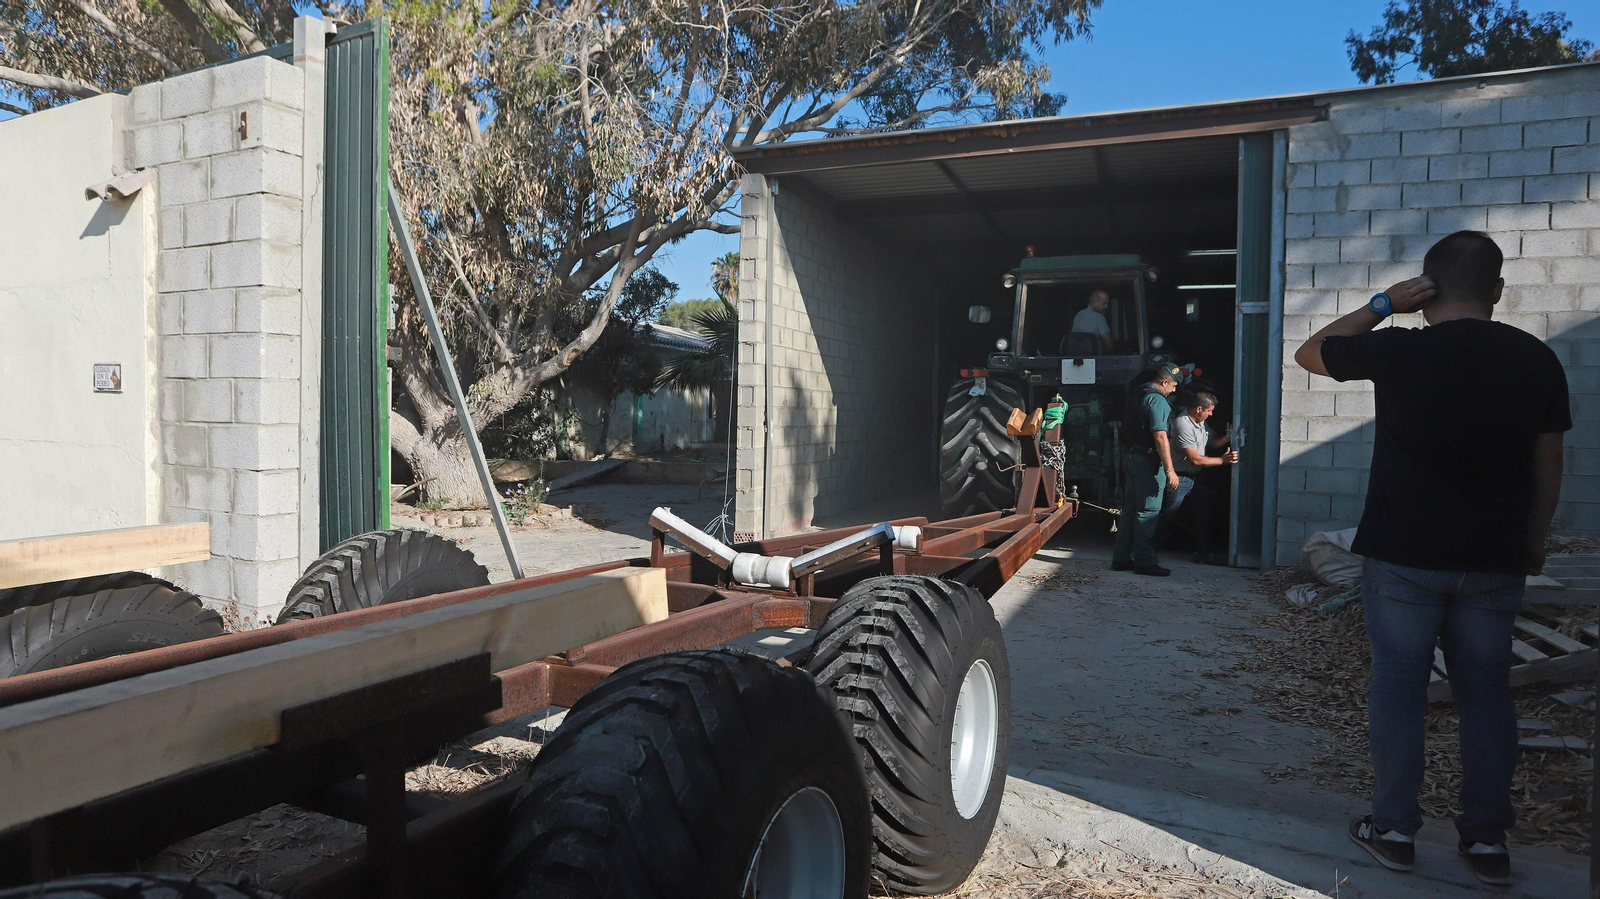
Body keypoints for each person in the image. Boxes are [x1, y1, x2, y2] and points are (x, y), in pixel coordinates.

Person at [1293, 230, 1568, 887]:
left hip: (1404, 553)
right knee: (1486, 691)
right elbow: (1548, 463)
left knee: (1398, 685)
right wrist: (1533, 538)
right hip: (1494, 556)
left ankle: (1392, 829)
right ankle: (1487, 842)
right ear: (1498, 290)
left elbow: (1310, 353)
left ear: (1429, 292)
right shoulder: (1537, 360)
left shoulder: (1401, 348)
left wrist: (1384, 302)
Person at [1111, 363, 1182, 577]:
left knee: (1130, 510)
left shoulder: (1138, 393)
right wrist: (1170, 470)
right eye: (1174, 386)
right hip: (1147, 463)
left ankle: (1121, 558)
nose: (1174, 390)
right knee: (1148, 512)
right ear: (1164, 382)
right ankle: (1145, 562)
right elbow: (1160, 436)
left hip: (1131, 457)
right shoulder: (1158, 400)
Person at [1159, 391, 1237, 565]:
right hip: (1179, 479)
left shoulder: (1201, 423)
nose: (1211, 414)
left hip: (1194, 479)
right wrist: (1222, 461)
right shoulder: (1183, 424)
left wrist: (1230, 437)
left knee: (1203, 511)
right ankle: (1146, 550)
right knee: (1166, 516)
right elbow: (1194, 458)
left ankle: (1202, 553)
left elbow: (1213, 442)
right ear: (1199, 408)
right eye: (1209, 411)